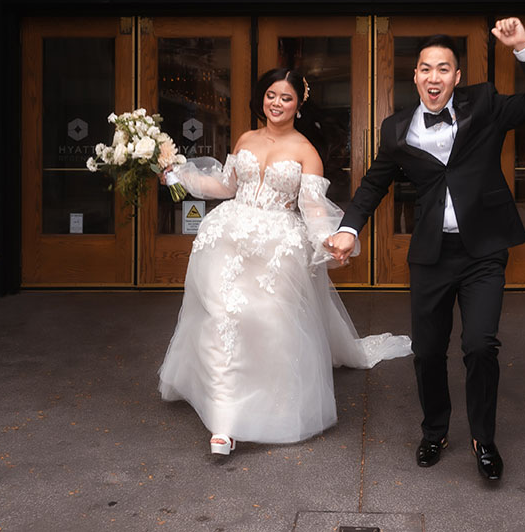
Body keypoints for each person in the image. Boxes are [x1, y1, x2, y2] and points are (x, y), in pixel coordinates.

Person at [325, 18, 525, 481]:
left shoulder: (486, 104)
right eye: (426, 69)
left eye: (444, 69)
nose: (434, 77)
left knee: (480, 346)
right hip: (431, 254)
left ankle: (483, 440)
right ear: (415, 76)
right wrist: (349, 228)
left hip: (483, 251)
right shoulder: (396, 130)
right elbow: (372, 185)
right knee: (428, 352)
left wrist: (523, 48)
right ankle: (435, 430)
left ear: (456, 76)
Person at [158, 67, 411, 456]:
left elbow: (311, 209)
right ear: (262, 98)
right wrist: (179, 174)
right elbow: (225, 186)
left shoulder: (306, 151)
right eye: (271, 95)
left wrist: (331, 240)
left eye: (286, 98)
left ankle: (266, 402)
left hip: (275, 248)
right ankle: (224, 422)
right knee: (221, 319)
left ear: (298, 104)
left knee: (266, 325)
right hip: (226, 239)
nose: (276, 103)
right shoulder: (245, 138)